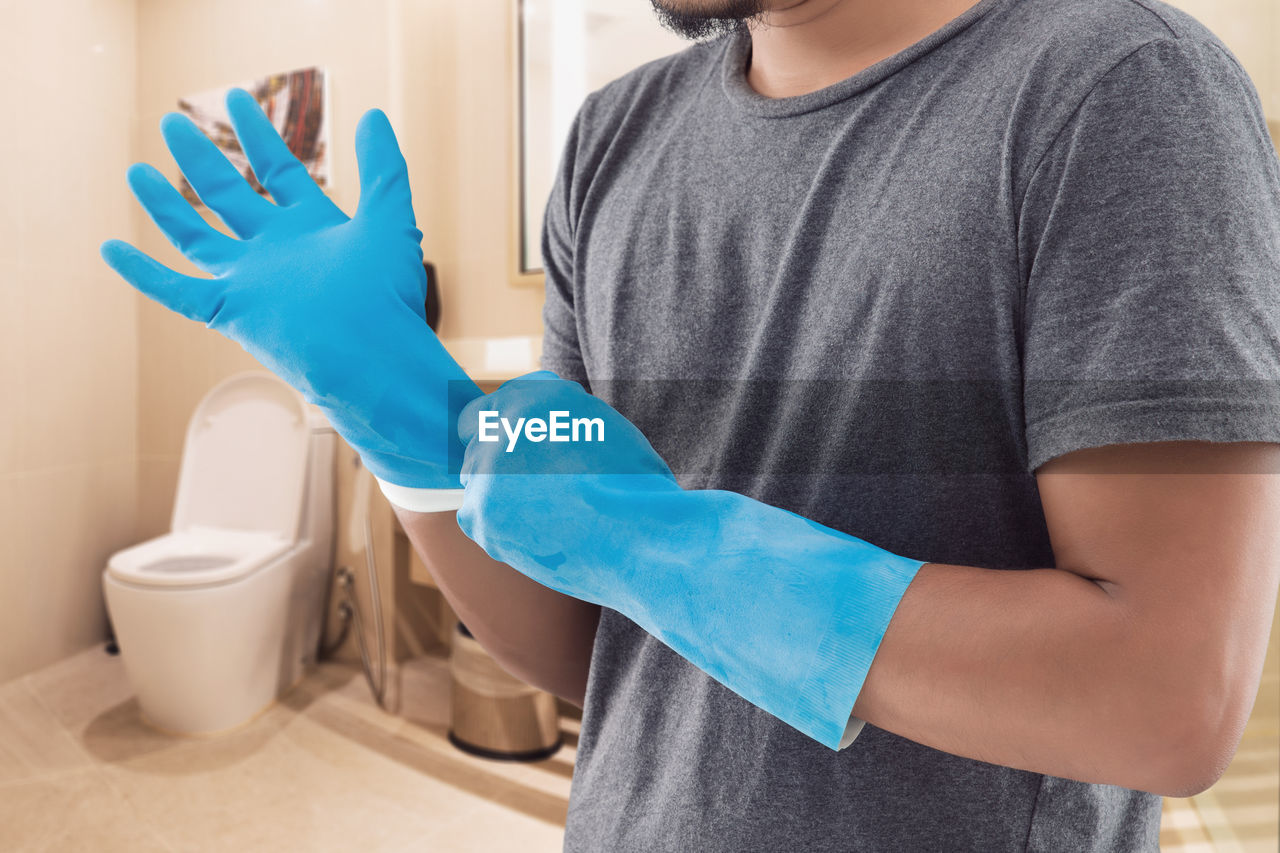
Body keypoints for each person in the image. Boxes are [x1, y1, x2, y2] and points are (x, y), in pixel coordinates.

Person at [102, 0, 1280, 850]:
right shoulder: (613, 142)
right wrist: (420, 422)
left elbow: (1163, 695)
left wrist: (662, 541)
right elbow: (584, 639)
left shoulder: (1113, 87)